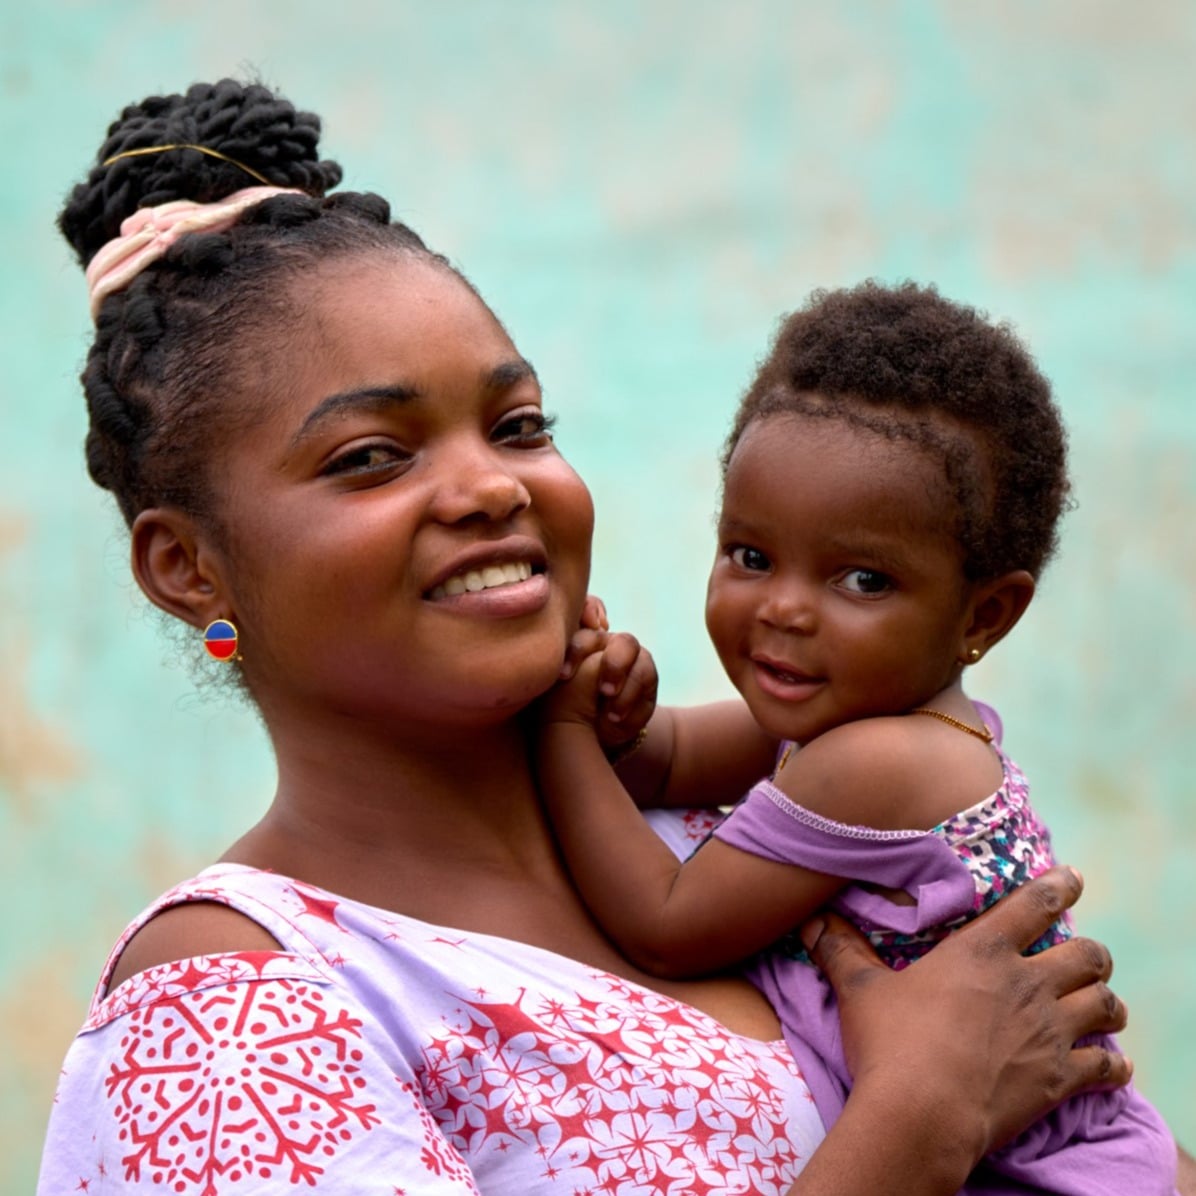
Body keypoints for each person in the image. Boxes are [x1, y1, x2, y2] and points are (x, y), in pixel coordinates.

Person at [37, 78, 1153, 1196]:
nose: (488, 486)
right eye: (371, 455)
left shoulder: (731, 833)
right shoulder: (233, 1012)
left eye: (517, 425)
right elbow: (934, 1110)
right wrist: (916, 1117)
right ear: (188, 567)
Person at [535, 282, 1179, 1193]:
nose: (785, 610)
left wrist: (558, 724)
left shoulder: (883, 764)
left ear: (985, 612)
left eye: (863, 580)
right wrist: (619, 719)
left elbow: (668, 924)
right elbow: (668, 760)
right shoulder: (872, 721)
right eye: (751, 557)